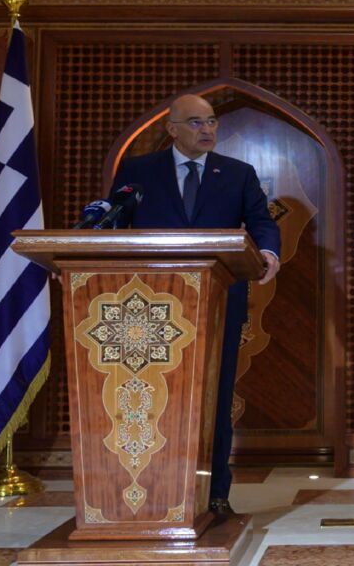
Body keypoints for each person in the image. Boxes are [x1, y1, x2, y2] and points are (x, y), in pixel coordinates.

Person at [108, 93, 281, 516]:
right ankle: (147, 493)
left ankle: (215, 495)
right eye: (195, 123)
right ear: (172, 129)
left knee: (214, 397)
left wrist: (270, 253)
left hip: (218, 301)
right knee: (149, 398)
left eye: (212, 122)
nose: (207, 130)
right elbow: (114, 220)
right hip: (147, 307)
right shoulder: (138, 171)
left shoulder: (237, 174)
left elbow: (260, 221)